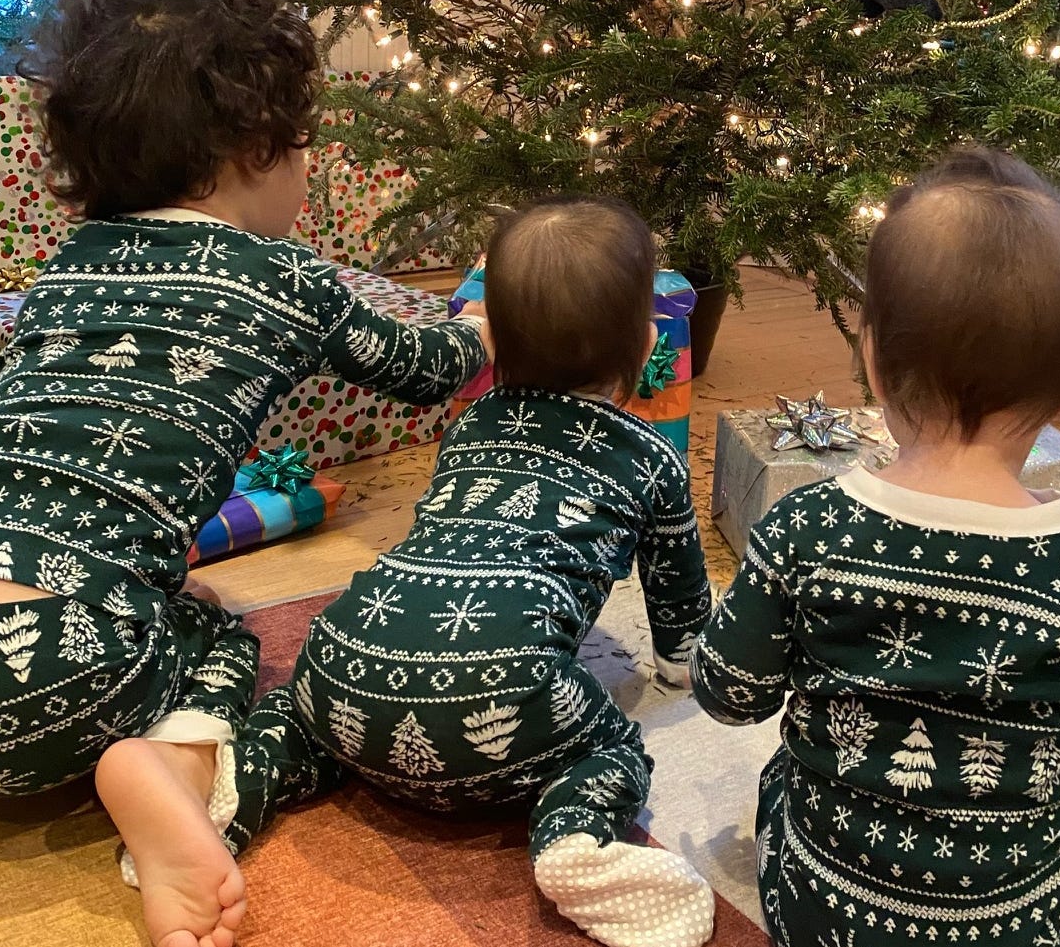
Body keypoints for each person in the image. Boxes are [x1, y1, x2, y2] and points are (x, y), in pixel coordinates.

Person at [0, 0, 490, 947]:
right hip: (56, 666)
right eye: (303, 149)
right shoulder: (288, 275)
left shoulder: (67, 268)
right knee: (217, 625)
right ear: (254, 146)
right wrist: (490, 320)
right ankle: (181, 776)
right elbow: (430, 367)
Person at [159, 197, 717, 947]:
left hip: (345, 665)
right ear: (645, 341)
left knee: (298, 712)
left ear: (495, 343)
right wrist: (682, 671)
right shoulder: (650, 456)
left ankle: (229, 797)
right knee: (611, 745)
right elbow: (678, 601)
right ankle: (575, 841)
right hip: (501, 703)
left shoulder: (470, 424)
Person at [691, 148, 1060, 947]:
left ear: (874, 363)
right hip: (1021, 929)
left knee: (783, 779)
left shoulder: (803, 529)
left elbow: (726, 691)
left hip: (823, 916)